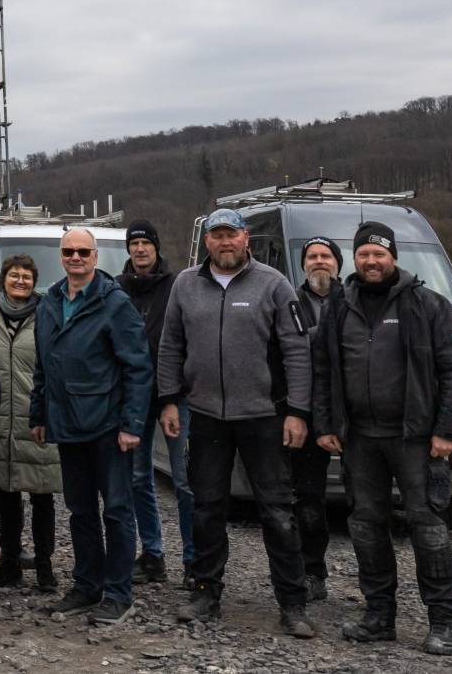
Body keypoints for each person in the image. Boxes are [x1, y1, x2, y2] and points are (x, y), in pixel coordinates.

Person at [311, 222, 452, 656]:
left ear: (393, 257)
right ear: (356, 259)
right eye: (364, 254)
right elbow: (324, 370)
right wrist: (325, 424)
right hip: (360, 438)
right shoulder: (340, 307)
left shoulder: (428, 304)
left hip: (416, 438)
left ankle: (443, 620)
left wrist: (446, 430)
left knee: (428, 526)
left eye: (379, 254)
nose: (371, 261)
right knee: (365, 526)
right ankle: (379, 616)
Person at [155, 209, 316, 638]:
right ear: (206, 241)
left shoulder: (274, 285)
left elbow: (298, 351)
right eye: (217, 236)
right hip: (206, 415)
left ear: (246, 238)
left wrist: (298, 411)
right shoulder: (186, 285)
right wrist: (169, 401)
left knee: (279, 512)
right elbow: (170, 344)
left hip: (264, 416)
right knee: (207, 508)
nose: (225, 242)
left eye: (232, 234)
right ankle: (206, 591)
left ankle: (293, 603)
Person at [31, 229, 152, 626]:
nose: (76, 257)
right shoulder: (49, 304)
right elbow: (43, 366)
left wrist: (132, 424)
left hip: (108, 426)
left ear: (96, 256)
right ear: (61, 256)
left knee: (117, 511)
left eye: (83, 251)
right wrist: (39, 415)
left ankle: (119, 593)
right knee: (80, 512)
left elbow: (137, 367)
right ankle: (87, 585)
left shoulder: (114, 303)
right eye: (69, 251)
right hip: (66, 426)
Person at [0, 255, 61, 593]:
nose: (21, 281)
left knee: (42, 496)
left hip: (36, 417)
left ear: (34, 280)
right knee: (5, 495)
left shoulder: (47, 313)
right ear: (3, 279)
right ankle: (9, 564)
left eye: (27, 276)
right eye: (14, 275)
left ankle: (45, 566)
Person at [117, 219, 190, 588]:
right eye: (135, 244)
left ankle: (194, 559)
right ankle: (153, 554)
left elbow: (183, 342)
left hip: (174, 397)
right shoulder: (118, 288)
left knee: (185, 480)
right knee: (138, 478)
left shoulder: (177, 286)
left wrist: (173, 397)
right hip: (134, 398)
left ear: (157, 248)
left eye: (146, 242)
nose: (140, 249)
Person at [291, 236, 343, 599]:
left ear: (338, 264)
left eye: (326, 256)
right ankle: (313, 572)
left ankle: (378, 588)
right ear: (303, 264)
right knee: (308, 500)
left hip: (354, 412)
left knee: (369, 505)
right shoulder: (289, 301)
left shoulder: (354, 300)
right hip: (307, 411)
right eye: (312, 257)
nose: (319, 262)